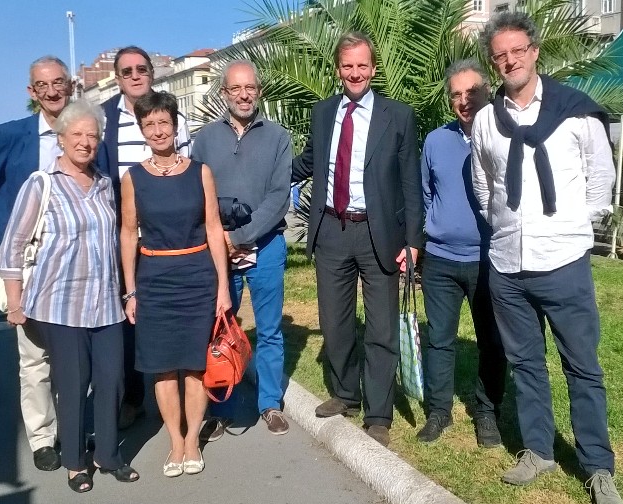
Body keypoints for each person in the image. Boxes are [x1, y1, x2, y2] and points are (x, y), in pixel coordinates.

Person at [471, 12, 623, 504]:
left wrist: (574, 229)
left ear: (534, 52)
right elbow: (484, 184)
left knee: (582, 366)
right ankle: (538, 450)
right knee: (526, 364)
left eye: (518, 50)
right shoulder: (487, 120)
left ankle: (597, 466)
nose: (510, 60)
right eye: (500, 55)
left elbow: (601, 177)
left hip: (564, 263)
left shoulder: (575, 112)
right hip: (507, 265)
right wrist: (505, 227)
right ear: (493, 63)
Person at [0, 100, 138, 493]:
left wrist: (128, 290)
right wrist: (15, 301)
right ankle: (76, 463)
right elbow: (12, 246)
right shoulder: (41, 184)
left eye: (92, 135)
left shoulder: (105, 184)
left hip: (106, 303)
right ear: (61, 138)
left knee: (112, 380)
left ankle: (107, 455)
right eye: (77, 134)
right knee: (73, 384)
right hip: (60, 304)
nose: (85, 142)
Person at [292, 32, 423, 447]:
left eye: (362, 65)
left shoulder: (397, 115)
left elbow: (411, 183)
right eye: (348, 66)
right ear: (338, 69)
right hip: (331, 229)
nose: (355, 73)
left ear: (373, 68)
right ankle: (345, 393)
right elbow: (308, 162)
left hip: (378, 232)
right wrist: (261, 174)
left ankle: (379, 414)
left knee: (381, 327)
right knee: (335, 323)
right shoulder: (322, 113)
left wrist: (413, 240)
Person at [0, 56, 72, 472]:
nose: (52, 91)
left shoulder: (85, 130)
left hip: (74, 260)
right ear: (32, 92)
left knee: (74, 351)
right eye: (43, 85)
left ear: (70, 84)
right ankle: (43, 437)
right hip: (28, 261)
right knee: (35, 355)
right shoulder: (12, 135)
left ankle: (74, 426)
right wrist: (6, 234)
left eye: (58, 82)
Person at [120, 91, 231, 477]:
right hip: (154, 280)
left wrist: (223, 286)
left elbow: (214, 227)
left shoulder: (201, 172)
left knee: (196, 366)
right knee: (163, 368)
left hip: (197, 278)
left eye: (163, 122)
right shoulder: (132, 178)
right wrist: (131, 290)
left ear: (175, 125)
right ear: (141, 129)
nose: (157, 130)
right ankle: (175, 442)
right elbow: (128, 233)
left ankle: (192, 440)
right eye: (149, 124)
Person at [192, 60, 292, 438]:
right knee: (220, 328)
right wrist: (220, 238)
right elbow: (197, 194)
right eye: (236, 88)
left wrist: (241, 236)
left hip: (266, 246)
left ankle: (270, 403)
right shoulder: (205, 139)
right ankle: (222, 408)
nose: (244, 95)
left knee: (269, 330)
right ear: (224, 93)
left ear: (259, 92)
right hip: (218, 249)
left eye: (250, 88)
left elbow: (279, 197)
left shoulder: (278, 137)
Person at [97, 46, 192, 430]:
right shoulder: (105, 118)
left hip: (172, 239)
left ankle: (185, 400)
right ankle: (133, 398)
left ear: (152, 72)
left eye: (141, 69)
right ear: (118, 78)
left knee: (177, 317)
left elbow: (190, 171)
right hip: (126, 236)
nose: (135, 76)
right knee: (130, 319)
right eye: (127, 71)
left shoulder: (174, 116)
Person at [417, 60, 508, 447]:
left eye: (471, 92)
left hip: (489, 261)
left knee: (492, 341)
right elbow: (425, 194)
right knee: (439, 339)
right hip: (440, 260)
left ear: (487, 91)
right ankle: (439, 411)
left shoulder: (504, 136)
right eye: (456, 94)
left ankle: (486, 412)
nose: (464, 100)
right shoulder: (436, 141)